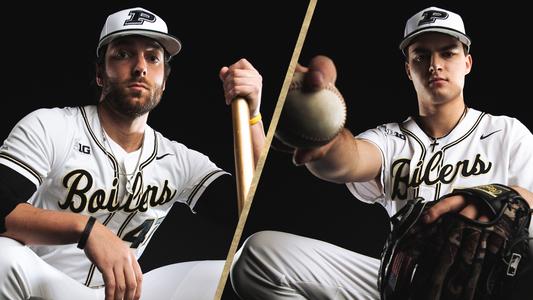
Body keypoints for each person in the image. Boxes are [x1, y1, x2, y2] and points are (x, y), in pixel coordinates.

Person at [230, 6, 533, 299]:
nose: (435, 64)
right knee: (258, 258)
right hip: (404, 287)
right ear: (408, 68)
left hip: (492, 290)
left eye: (448, 52)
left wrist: (494, 196)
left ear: (467, 62)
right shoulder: (391, 139)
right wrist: (323, 137)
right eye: (421, 55)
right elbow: (349, 158)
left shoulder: (506, 132)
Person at [0, 6, 265, 300]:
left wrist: (253, 117)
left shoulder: (177, 159)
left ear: (164, 80)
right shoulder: (52, 127)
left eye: (153, 58)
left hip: (125, 294)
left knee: (243, 269)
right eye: (124, 54)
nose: (140, 67)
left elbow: (250, 209)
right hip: (45, 285)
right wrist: (86, 229)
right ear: (100, 73)